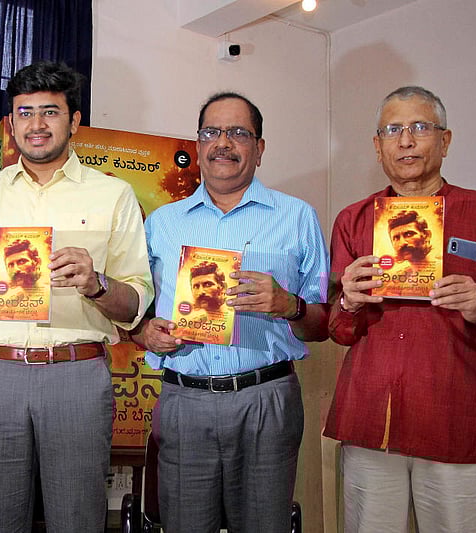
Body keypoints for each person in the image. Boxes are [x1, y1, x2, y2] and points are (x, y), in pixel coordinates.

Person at [0, 61, 153, 533]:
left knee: (78, 517)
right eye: (25, 113)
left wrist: (95, 282)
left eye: (50, 112)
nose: (37, 125)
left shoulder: (113, 195)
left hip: (76, 373)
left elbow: (135, 302)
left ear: (74, 121)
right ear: (11, 123)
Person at [132, 92, 330, 532]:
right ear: (198, 145)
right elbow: (134, 310)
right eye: (212, 132)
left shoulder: (298, 217)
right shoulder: (162, 223)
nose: (224, 142)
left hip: (267, 400)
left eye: (239, 133)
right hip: (185, 399)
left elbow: (322, 324)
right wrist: (145, 333)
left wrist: (289, 305)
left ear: (259, 149)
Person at [323, 86, 476, 532]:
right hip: (371, 423)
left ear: (445, 141)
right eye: (393, 130)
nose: (406, 141)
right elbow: (336, 327)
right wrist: (349, 301)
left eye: (419, 128)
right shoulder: (353, 220)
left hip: (458, 425)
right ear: (378, 146)